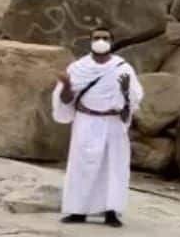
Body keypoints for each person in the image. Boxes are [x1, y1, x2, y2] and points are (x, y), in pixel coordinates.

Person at [52, 27, 144, 228]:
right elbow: (66, 101)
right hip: (86, 121)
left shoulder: (123, 68)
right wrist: (66, 86)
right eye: (97, 38)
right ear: (90, 41)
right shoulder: (77, 68)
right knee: (82, 166)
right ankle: (78, 211)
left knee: (113, 167)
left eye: (105, 38)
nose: (101, 41)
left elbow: (131, 105)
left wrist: (125, 93)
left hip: (113, 123)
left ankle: (111, 212)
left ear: (112, 41)